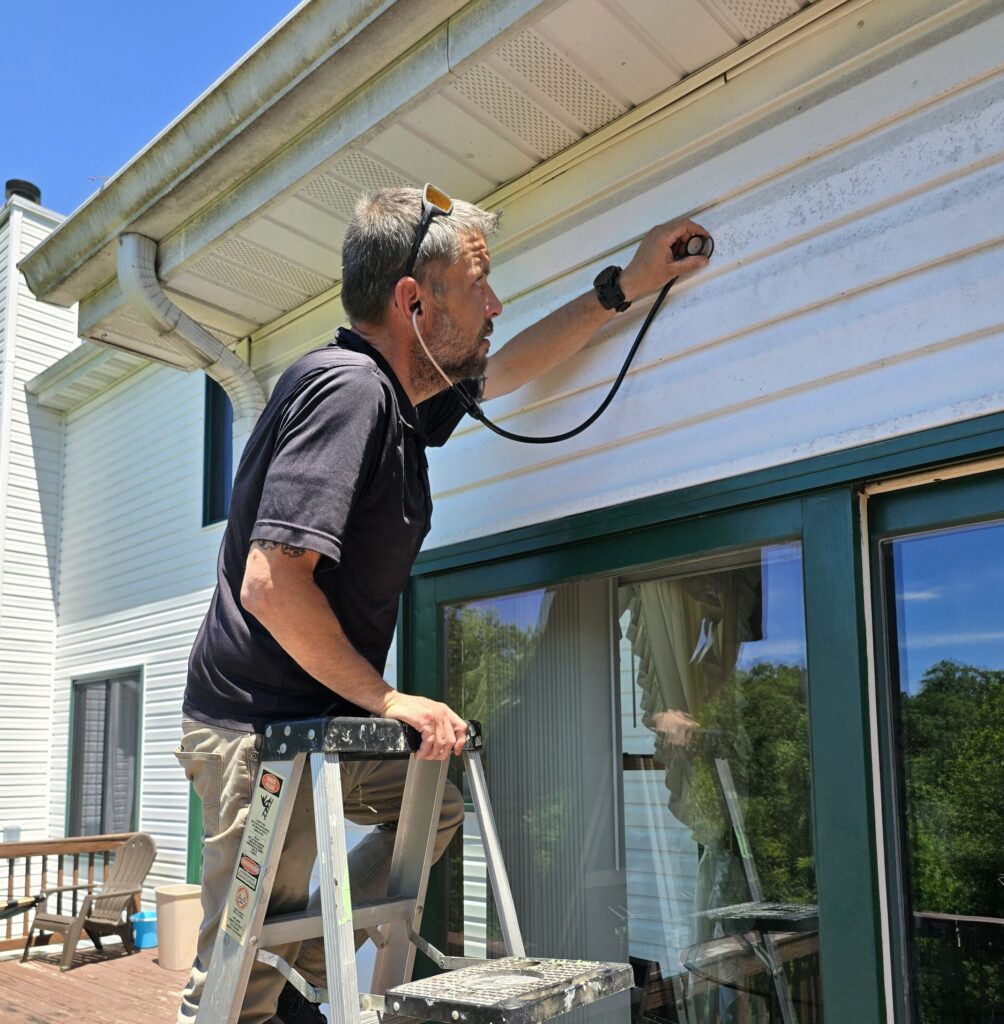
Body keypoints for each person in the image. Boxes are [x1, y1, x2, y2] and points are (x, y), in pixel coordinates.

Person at [175, 185, 710, 1024]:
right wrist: (390, 699)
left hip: (323, 720)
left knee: (435, 806)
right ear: (413, 302)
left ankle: (298, 968)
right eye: (478, 287)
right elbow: (273, 583)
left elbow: (512, 364)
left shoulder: (399, 405)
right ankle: (275, 983)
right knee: (237, 992)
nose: (494, 304)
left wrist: (626, 286)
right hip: (262, 734)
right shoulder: (348, 390)